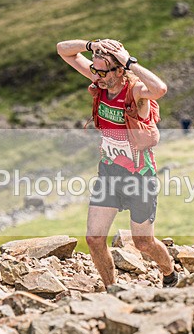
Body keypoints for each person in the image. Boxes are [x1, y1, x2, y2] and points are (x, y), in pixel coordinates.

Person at [57, 38, 176, 288]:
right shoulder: (101, 80)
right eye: (95, 70)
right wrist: (92, 45)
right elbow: (63, 50)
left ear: (119, 69)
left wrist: (129, 61)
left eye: (101, 71)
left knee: (143, 243)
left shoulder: (135, 91)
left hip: (139, 177)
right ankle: (113, 290)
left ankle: (170, 273)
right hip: (109, 174)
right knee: (94, 238)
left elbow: (160, 89)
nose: (95, 75)